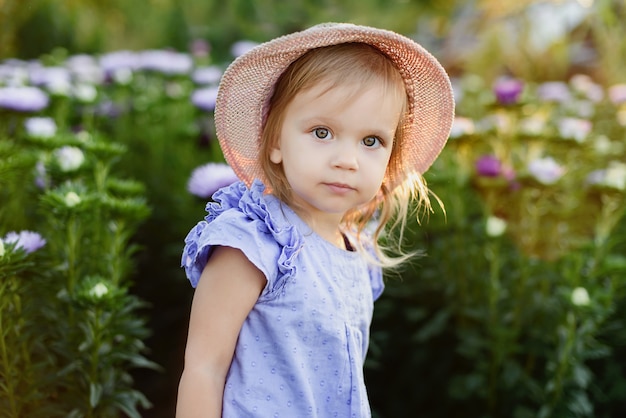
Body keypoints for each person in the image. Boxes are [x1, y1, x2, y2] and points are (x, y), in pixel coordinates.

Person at [176, 23, 454, 418]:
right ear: (274, 141)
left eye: (371, 140)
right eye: (322, 132)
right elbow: (205, 368)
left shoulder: (355, 250)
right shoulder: (254, 242)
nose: (347, 159)